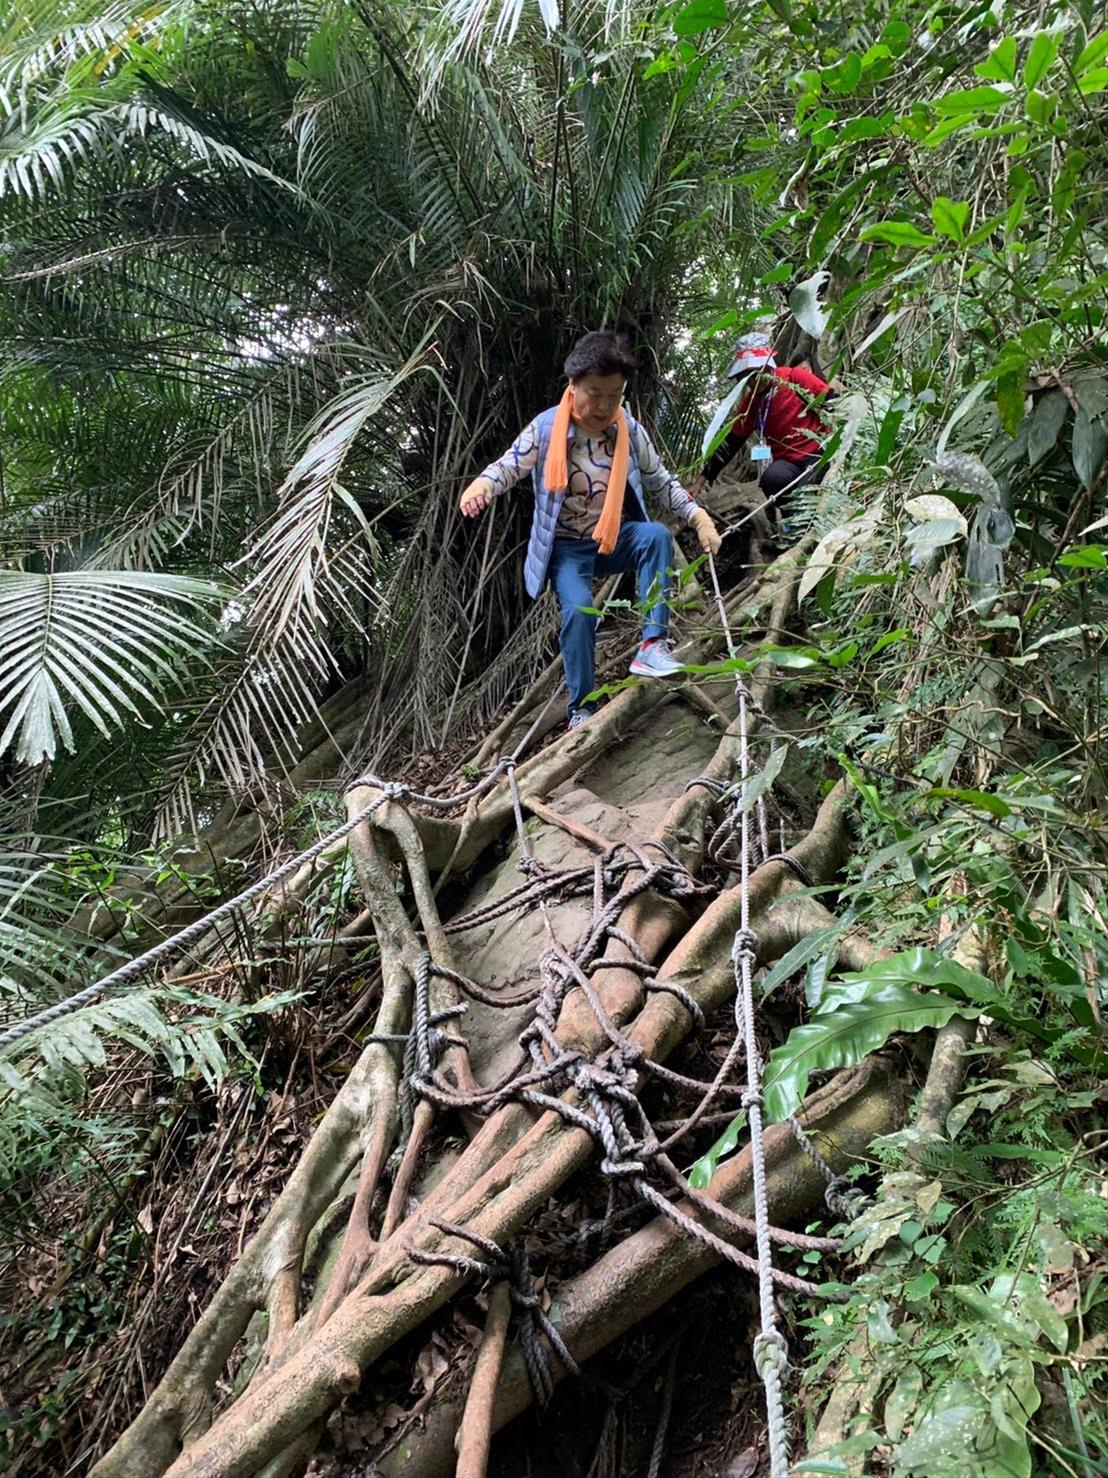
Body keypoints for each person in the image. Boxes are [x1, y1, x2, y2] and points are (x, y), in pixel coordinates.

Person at [459, 330, 721, 730]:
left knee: (656, 536)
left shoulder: (628, 429)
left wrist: (698, 516)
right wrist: (482, 485)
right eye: (595, 393)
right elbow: (508, 466)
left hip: (613, 537)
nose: (603, 406)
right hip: (566, 548)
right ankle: (581, 708)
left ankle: (653, 645)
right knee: (579, 612)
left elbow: (660, 481)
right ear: (574, 384)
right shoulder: (546, 428)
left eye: (614, 395)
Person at [688, 332, 833, 534]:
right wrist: (701, 480)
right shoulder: (751, 404)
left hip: (817, 454)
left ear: (767, 366)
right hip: (787, 462)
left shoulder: (794, 377)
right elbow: (732, 442)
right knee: (771, 480)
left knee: (804, 493)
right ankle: (793, 523)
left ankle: (805, 531)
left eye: (756, 371)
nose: (752, 379)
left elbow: (832, 399)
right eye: (746, 375)